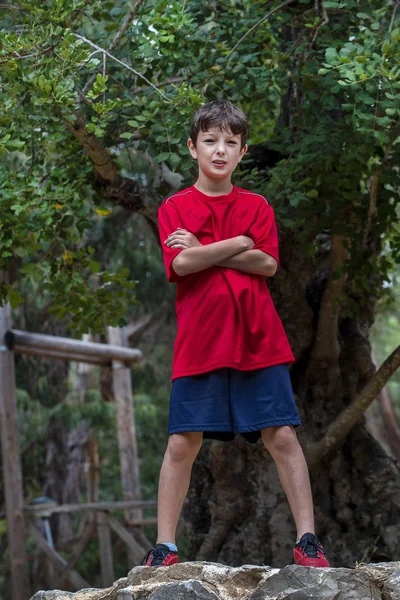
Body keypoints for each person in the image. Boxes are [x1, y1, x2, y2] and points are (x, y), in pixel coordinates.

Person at [142, 99, 330, 569]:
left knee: (282, 436)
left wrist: (206, 249)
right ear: (193, 148)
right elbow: (181, 264)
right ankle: (165, 545)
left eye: (230, 143)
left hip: (259, 340)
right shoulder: (175, 207)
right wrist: (234, 245)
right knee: (182, 443)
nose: (220, 150)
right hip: (200, 342)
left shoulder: (257, 205)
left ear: (242, 152)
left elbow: (266, 263)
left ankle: (308, 541)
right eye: (210, 141)